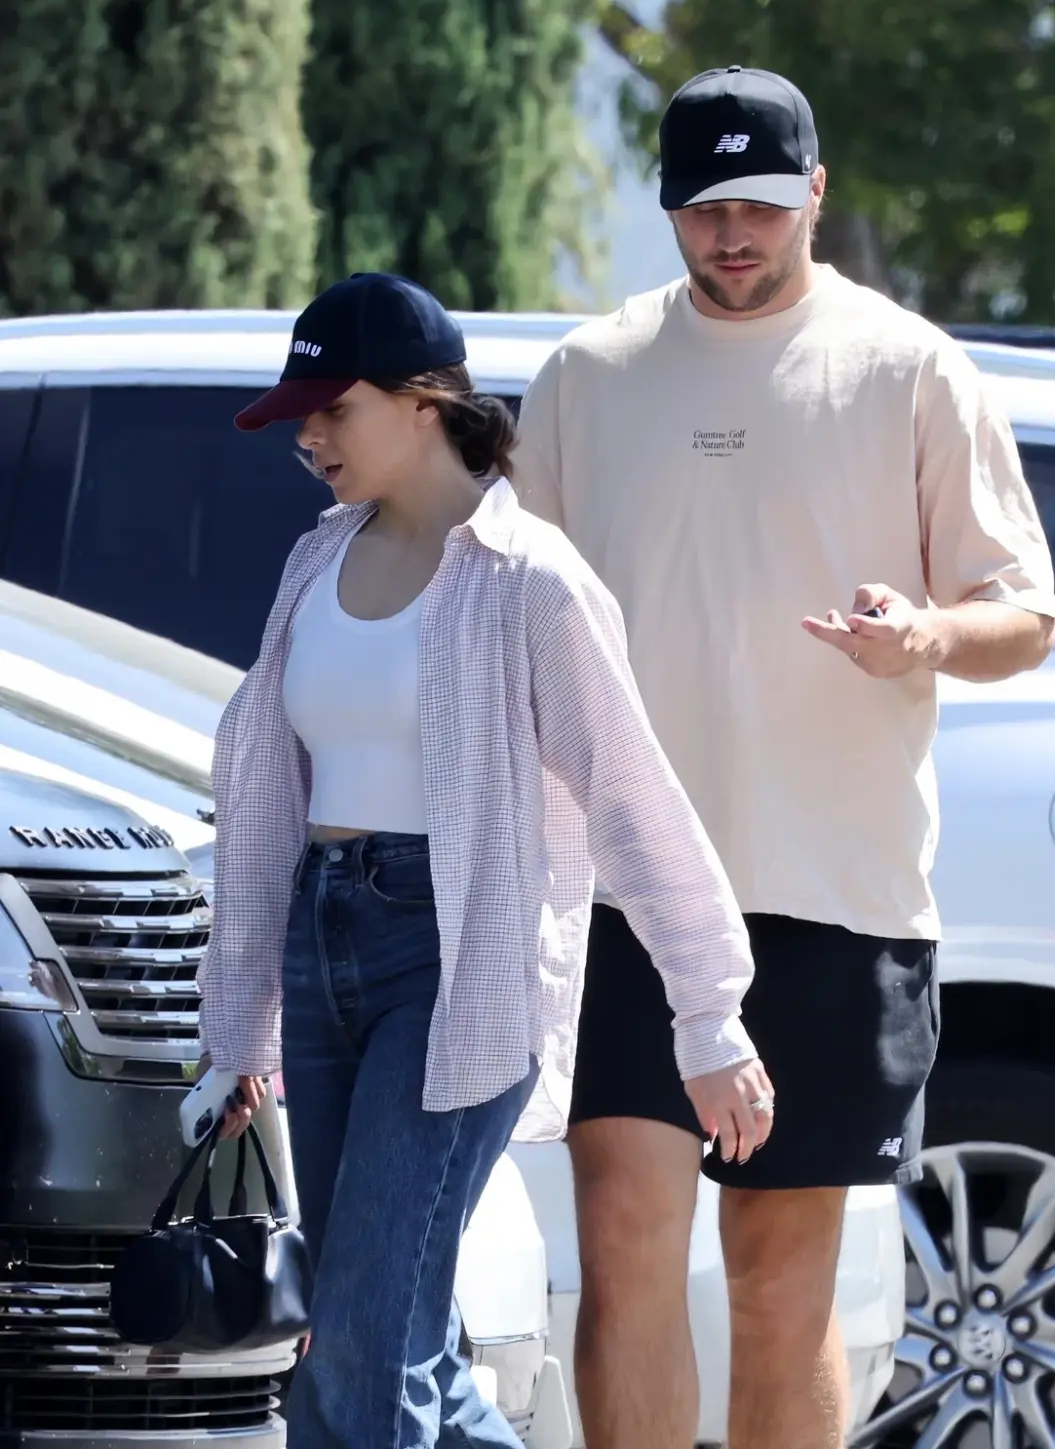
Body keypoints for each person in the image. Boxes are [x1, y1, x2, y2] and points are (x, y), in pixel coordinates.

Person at [513, 66, 1055, 1449]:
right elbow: (507, 622)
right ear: (668, 212)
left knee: (775, 1280)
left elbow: (1024, 616)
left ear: (816, 192)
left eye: (760, 203)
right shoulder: (584, 379)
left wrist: (925, 633)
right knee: (626, 1245)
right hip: (627, 896)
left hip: (834, 890)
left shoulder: (911, 367)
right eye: (702, 208)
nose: (732, 234)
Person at [193, 271, 774, 1449]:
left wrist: (711, 1017)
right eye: (297, 416)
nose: (308, 437)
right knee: (408, 1340)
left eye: (331, 409)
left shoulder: (529, 582)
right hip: (324, 945)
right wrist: (236, 1026)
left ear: (422, 403)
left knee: (357, 1335)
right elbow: (263, 803)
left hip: (458, 966)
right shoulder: (314, 562)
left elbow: (633, 798)